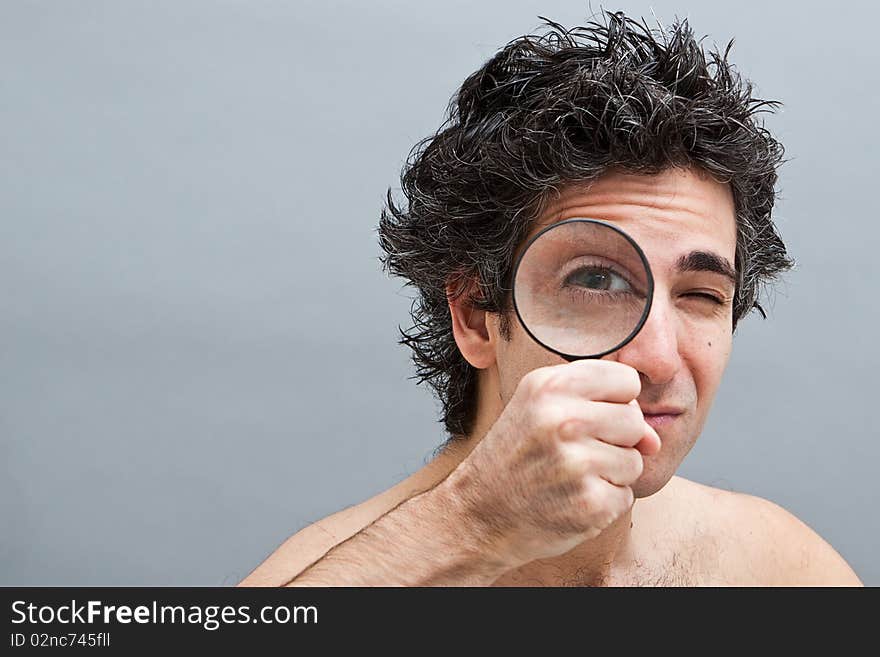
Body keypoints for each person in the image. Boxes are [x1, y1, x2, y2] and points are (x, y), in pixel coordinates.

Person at [238, 11, 862, 586]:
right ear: (475, 316)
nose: (663, 359)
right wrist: (471, 523)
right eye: (595, 281)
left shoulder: (774, 568)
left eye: (700, 294)